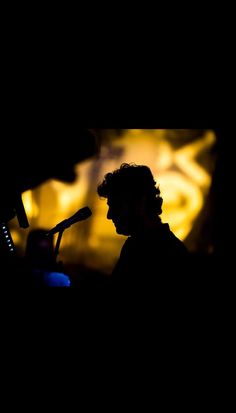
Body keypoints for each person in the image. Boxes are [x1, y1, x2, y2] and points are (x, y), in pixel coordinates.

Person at [97, 163, 189, 284]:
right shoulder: (134, 245)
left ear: (138, 202)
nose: (109, 215)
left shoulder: (168, 252)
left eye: (116, 206)